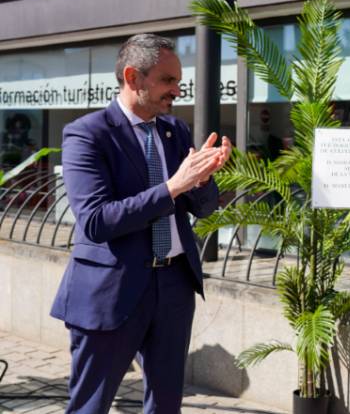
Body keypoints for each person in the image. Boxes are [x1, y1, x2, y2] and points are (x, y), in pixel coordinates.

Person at [50, 34, 232, 413]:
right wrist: (173, 186)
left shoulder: (175, 130)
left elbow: (203, 210)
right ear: (133, 77)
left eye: (178, 81)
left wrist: (202, 180)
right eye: (168, 80)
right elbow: (97, 221)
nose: (177, 90)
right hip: (111, 291)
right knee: (90, 405)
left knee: (166, 404)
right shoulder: (87, 134)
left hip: (174, 285)